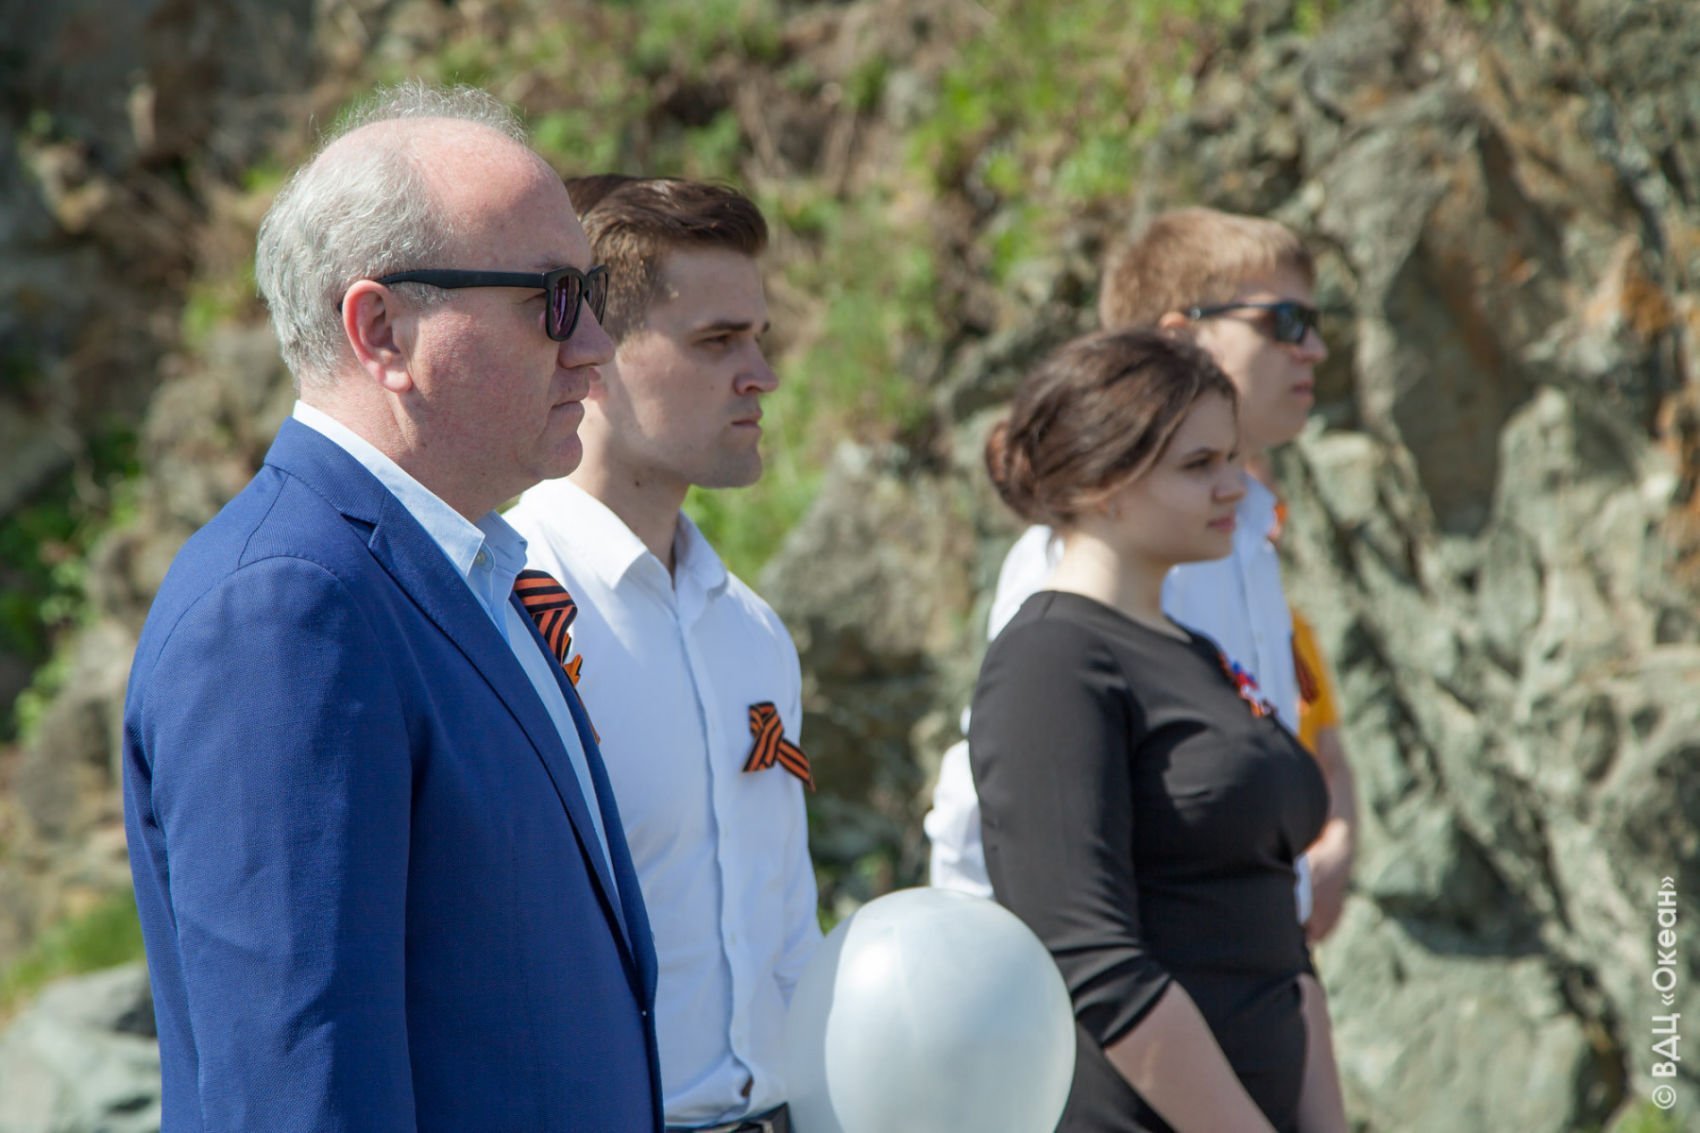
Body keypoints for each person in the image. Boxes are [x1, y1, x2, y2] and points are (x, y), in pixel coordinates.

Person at [121, 84, 662, 1131]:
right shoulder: (285, 612)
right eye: (555, 298)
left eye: (591, 292)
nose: (596, 344)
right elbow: (299, 1096)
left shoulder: (461, 569)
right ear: (382, 332)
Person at [927, 206, 1357, 939]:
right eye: (1284, 322)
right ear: (1181, 337)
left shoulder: (1244, 536)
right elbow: (991, 812)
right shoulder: (1089, 553)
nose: (1314, 349)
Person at [970, 327, 1349, 1132]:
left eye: (1232, 458)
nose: (1235, 486)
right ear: (1104, 480)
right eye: (1199, 464)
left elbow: (1279, 938)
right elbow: (1092, 962)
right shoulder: (1052, 660)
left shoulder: (1196, 653)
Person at [506, 176, 818, 1133]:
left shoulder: (752, 630)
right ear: (591, 357)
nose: (761, 375)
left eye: (759, 338)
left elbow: (788, 937)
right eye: (717, 341)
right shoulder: (504, 609)